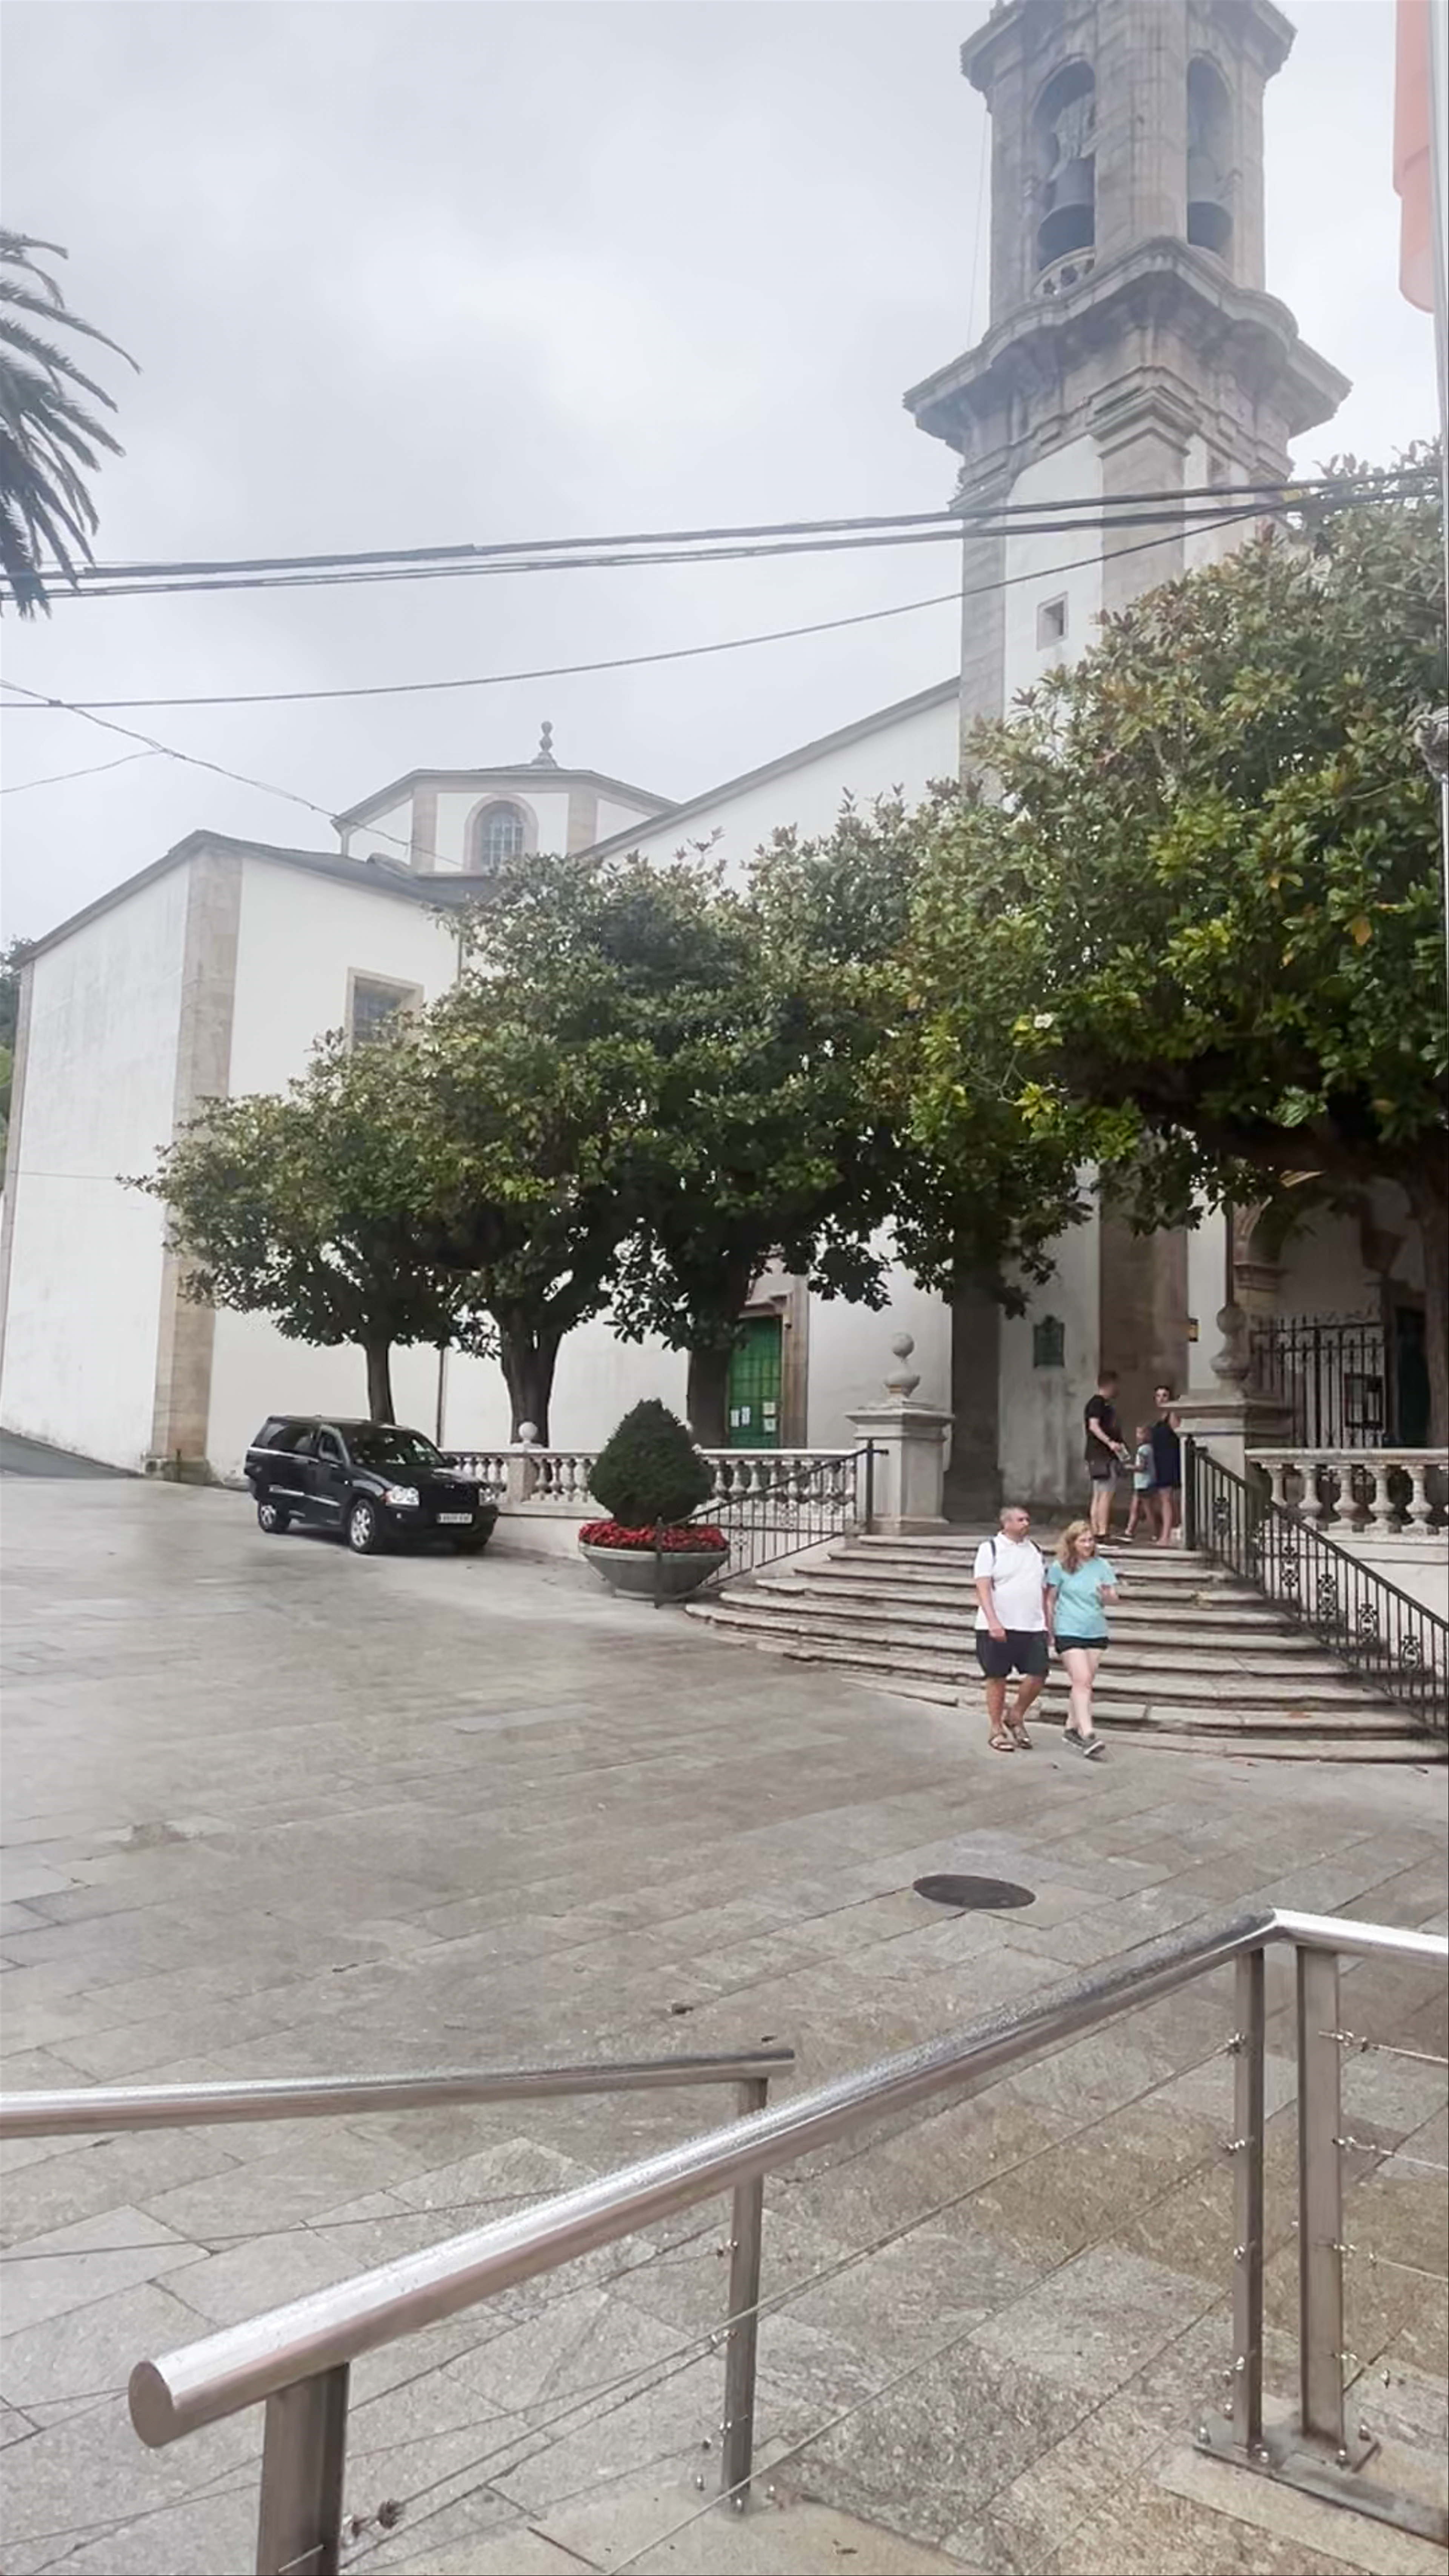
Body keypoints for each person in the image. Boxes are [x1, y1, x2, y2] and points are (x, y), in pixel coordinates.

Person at [972, 1504, 1049, 1753]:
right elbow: (983, 1586)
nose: (1026, 1523)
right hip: (998, 1624)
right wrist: (993, 1620)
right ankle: (996, 1728)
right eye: (1020, 1519)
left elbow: (1042, 1589)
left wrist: (1048, 1623)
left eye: (1027, 1518)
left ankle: (1016, 1714)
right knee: (997, 1677)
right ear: (1006, 1523)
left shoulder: (1035, 1550)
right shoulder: (991, 1549)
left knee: (1039, 1673)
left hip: (1031, 1623)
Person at [1046, 1520, 1119, 1758]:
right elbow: (1050, 1599)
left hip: (1095, 1629)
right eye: (1083, 1541)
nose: (1088, 1545)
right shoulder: (1060, 1568)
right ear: (1072, 1543)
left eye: (1091, 1540)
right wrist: (1050, 1627)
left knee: (1083, 1684)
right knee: (1083, 1679)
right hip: (1068, 1628)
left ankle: (1070, 1728)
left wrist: (1107, 1595)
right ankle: (1088, 1733)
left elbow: (1113, 1597)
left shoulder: (1102, 1566)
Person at [1083, 1368, 1130, 1537]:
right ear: (1110, 1385)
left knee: (1099, 1493)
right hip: (1102, 1454)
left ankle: (1097, 1530)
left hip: (1097, 1454)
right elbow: (1094, 1426)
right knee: (1106, 1493)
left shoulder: (1103, 1405)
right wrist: (1110, 1443)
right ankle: (1102, 1531)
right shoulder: (1098, 1404)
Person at [1151, 1384, 1183, 1544]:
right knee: (1165, 1500)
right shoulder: (1160, 1417)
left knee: (1167, 1500)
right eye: (1159, 1396)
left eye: (1165, 1396)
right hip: (1160, 1461)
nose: (1162, 1399)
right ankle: (1170, 1533)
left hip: (1170, 1461)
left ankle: (1166, 1536)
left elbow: (1180, 1437)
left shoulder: (1172, 1416)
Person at [1123, 1424, 1156, 1541]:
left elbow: (1142, 1467)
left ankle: (1154, 1533)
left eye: (1141, 1433)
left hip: (1144, 1484)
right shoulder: (1151, 1448)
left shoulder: (1143, 1450)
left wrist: (1130, 1467)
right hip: (1143, 1484)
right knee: (1135, 1508)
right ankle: (1129, 1531)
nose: (1138, 1436)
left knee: (1148, 1510)